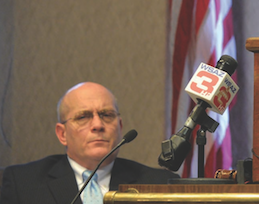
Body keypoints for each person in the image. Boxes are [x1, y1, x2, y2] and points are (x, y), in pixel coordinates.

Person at [0, 82, 177, 204]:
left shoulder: (159, 185)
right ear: (62, 134)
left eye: (107, 115)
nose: (98, 125)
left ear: (120, 127)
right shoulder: (23, 183)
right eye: (83, 117)